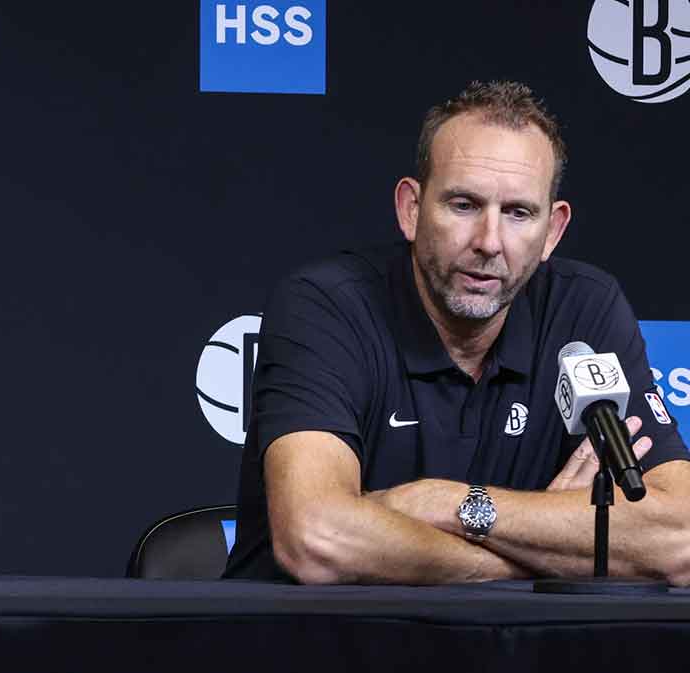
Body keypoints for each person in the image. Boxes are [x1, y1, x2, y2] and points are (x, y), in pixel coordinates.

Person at [223, 81, 690, 585]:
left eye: (518, 213)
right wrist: (537, 552)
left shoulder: (585, 309)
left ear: (552, 231)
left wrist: (448, 503)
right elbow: (318, 539)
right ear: (411, 209)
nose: (489, 242)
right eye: (464, 205)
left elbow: (680, 538)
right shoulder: (327, 305)